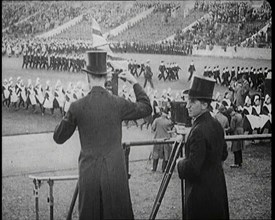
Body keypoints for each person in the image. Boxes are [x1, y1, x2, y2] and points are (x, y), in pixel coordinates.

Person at [53, 50, 152, 219]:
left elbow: (58, 137)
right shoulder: (117, 103)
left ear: (88, 77)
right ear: (106, 77)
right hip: (115, 172)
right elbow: (145, 107)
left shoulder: (77, 106)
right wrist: (134, 82)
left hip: (89, 174)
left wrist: (69, 114)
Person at [177, 75, 229, 219]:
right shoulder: (216, 124)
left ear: (205, 105)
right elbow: (223, 154)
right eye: (188, 101)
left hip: (200, 195)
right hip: (217, 190)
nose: (187, 106)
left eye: (192, 102)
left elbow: (193, 168)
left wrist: (180, 163)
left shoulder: (198, 130)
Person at [151, 107, 174, 172]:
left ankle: (154, 169)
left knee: (156, 154)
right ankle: (163, 169)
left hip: (157, 139)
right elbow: (172, 129)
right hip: (166, 140)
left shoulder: (156, 120)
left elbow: (153, 128)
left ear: (162, 113)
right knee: (166, 156)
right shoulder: (169, 122)